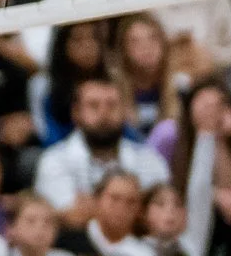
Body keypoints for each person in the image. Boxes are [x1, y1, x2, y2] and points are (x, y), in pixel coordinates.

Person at [34, 76, 168, 222]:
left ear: (124, 111)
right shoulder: (54, 160)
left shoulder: (148, 159)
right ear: (76, 113)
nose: (104, 113)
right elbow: (70, 218)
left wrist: (91, 208)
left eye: (112, 105)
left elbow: (161, 216)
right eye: (93, 105)